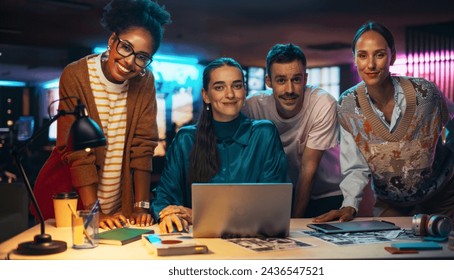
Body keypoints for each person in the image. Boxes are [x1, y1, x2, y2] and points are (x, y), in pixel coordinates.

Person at [34, 0, 171, 229]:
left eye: (142, 57)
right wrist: (93, 211)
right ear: (112, 41)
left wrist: (141, 205)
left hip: (119, 205)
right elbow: (77, 152)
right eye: (126, 47)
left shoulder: (145, 81)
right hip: (77, 201)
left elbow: (143, 145)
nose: (130, 61)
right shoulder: (76, 75)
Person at [314, 21, 454, 223]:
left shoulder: (426, 94)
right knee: (389, 251)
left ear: (391, 55)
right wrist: (349, 204)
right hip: (391, 202)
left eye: (379, 54)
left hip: (440, 195)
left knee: (439, 251)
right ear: (355, 59)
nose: (371, 65)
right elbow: (355, 166)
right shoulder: (348, 105)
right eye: (363, 56)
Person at [151, 57, 289, 233]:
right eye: (219, 87)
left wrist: (198, 215)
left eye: (237, 86)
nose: (230, 94)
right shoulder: (186, 139)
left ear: (244, 91)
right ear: (206, 95)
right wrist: (168, 214)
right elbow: (164, 196)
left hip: (255, 243)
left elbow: (273, 206)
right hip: (199, 243)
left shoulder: (264, 134)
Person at [242, 43, 342, 218]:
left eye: (296, 79)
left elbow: (308, 169)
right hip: (282, 190)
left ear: (305, 78)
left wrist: (294, 222)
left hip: (327, 192)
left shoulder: (323, 103)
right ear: (268, 81)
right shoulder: (252, 106)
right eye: (281, 80)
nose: (289, 90)